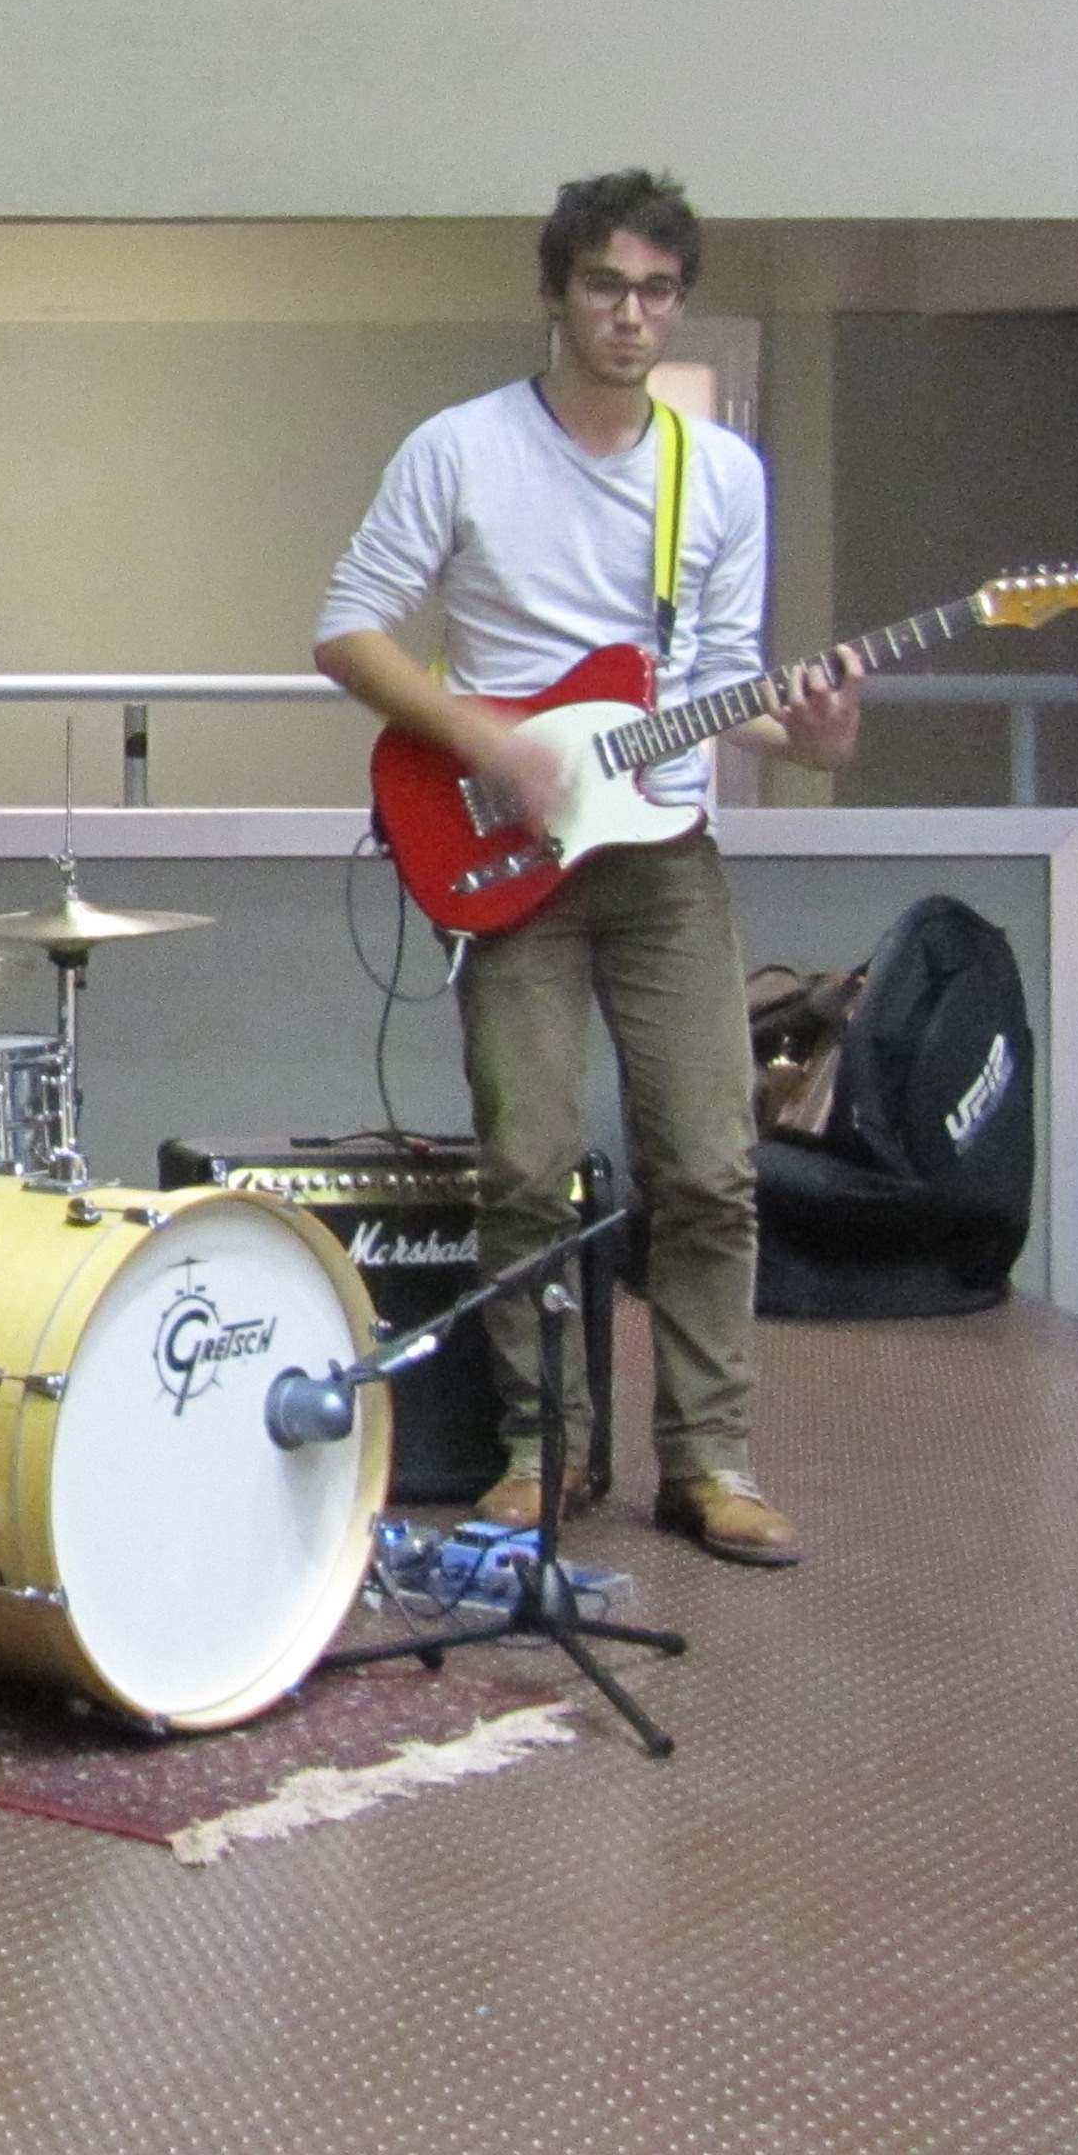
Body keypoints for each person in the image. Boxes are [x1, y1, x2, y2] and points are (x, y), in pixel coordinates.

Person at [311, 170, 855, 1569]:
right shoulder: (460, 448)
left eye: (658, 293)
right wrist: (489, 742)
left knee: (712, 1165)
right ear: (554, 293)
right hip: (514, 854)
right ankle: (538, 1453)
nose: (630, 315)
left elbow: (725, 677)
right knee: (526, 1162)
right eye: (606, 286)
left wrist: (810, 737)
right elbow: (350, 628)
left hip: (666, 851)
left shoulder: (718, 473)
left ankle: (712, 1462)